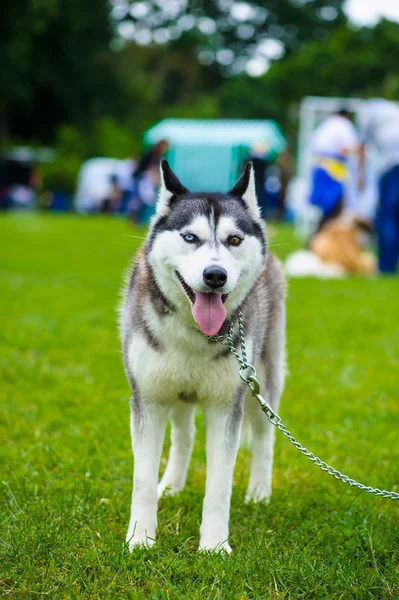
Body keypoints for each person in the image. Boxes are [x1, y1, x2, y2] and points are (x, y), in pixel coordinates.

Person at [358, 98, 399, 274]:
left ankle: (386, 266)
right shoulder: (391, 109)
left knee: (387, 215)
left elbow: (362, 145)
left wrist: (360, 176)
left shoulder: (365, 111)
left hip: (392, 165)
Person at [309, 108, 359, 232]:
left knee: (326, 206)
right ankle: (326, 232)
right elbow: (349, 147)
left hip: (319, 165)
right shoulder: (344, 125)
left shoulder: (325, 124)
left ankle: (321, 232)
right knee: (336, 202)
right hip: (332, 167)